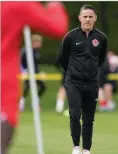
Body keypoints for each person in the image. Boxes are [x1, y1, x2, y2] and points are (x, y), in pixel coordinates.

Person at [1, 2, 69, 154]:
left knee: (39, 87)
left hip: (12, 81)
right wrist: (55, 5)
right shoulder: (18, 5)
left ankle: (31, 103)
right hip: (5, 85)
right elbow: (57, 27)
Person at [58, 4, 107, 154]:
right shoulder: (70, 37)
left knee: (88, 118)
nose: (87, 19)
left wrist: (90, 72)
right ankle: (75, 146)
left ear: (95, 18)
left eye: (90, 17)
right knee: (74, 114)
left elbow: (101, 59)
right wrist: (74, 72)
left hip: (92, 83)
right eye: (85, 17)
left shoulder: (101, 38)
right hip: (73, 82)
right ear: (80, 18)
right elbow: (62, 58)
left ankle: (86, 149)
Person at [19, 34, 46, 112]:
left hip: (35, 73)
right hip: (26, 73)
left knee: (42, 86)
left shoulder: (36, 52)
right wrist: (23, 71)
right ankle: (21, 103)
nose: (40, 44)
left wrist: (39, 73)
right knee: (27, 87)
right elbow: (19, 62)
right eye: (39, 42)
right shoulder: (25, 50)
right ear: (34, 42)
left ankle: (35, 103)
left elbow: (35, 65)